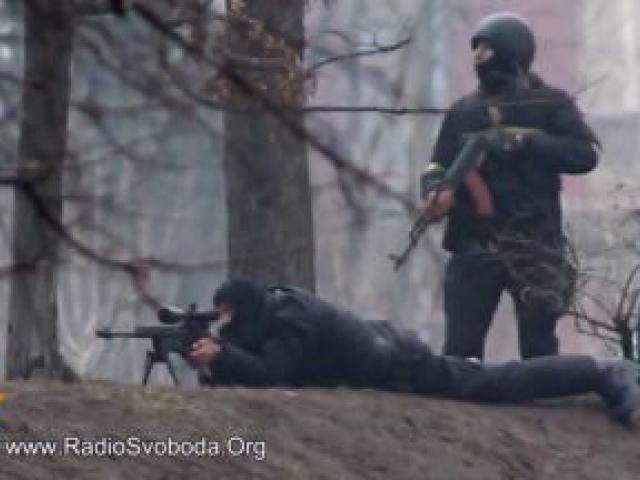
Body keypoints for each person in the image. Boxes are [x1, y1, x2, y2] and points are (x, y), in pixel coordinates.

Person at [188, 279, 636, 425]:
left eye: (228, 317)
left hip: (400, 364)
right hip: (384, 350)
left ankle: (597, 371)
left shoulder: (290, 318)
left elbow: (270, 373)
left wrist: (222, 357)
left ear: (245, 310)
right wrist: (219, 362)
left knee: (491, 383)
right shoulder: (274, 310)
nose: (225, 325)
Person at [419, 12, 600, 360]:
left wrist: (527, 143)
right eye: (475, 50)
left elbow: (584, 155)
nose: (477, 58)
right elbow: (438, 166)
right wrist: (432, 193)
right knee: (461, 351)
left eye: (485, 50)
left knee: (539, 350)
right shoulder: (463, 113)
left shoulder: (549, 104)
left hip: (533, 241)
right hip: (474, 241)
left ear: (509, 52)